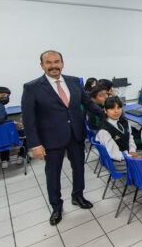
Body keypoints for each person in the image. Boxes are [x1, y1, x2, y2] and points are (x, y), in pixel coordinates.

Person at [21, 50, 104, 226]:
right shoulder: (32, 87)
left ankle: (78, 196)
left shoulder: (74, 82)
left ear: (62, 63)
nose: (53, 66)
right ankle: (57, 206)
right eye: (49, 62)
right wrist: (35, 144)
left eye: (56, 61)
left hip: (76, 134)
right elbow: (29, 119)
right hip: (51, 139)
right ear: (42, 65)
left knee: (79, 168)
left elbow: (88, 104)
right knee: (53, 174)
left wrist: (108, 114)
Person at [95, 96, 138, 172]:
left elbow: (130, 138)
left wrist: (132, 150)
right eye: (112, 108)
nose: (116, 111)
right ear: (105, 110)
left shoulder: (124, 121)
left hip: (127, 154)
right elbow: (114, 154)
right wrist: (130, 157)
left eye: (118, 108)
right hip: (117, 161)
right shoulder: (104, 131)